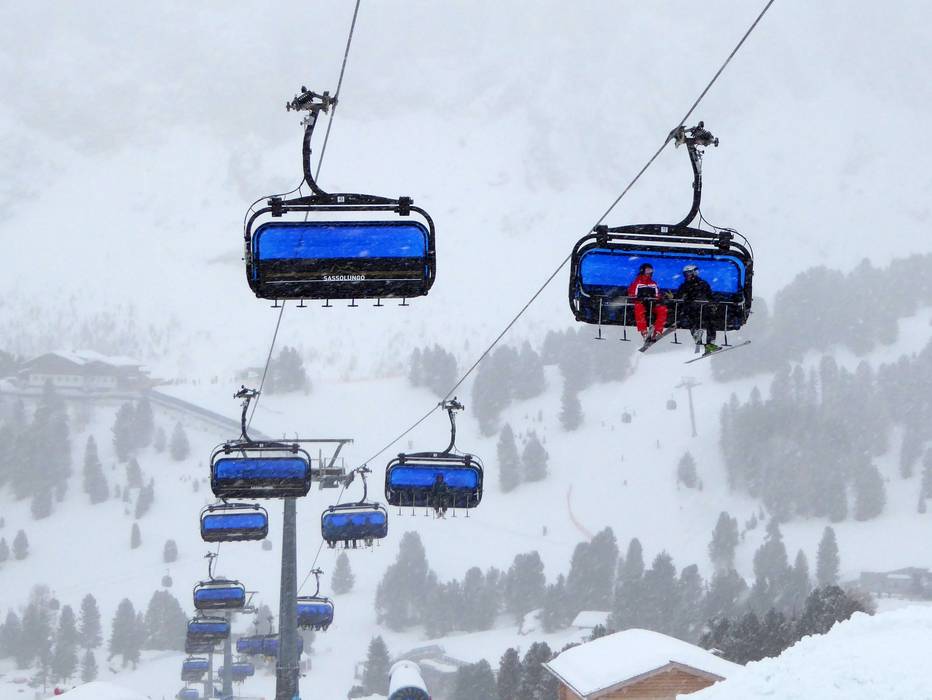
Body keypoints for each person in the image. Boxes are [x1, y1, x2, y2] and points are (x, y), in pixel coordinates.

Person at [671, 264, 719, 352]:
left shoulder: (703, 284)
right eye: (686, 274)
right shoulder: (685, 285)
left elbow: (710, 296)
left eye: (689, 273)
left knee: (711, 322)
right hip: (691, 309)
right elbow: (679, 296)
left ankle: (710, 344)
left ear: (694, 273)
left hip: (703, 308)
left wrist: (713, 303)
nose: (687, 276)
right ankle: (697, 337)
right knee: (690, 320)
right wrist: (673, 297)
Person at [627, 263, 668, 340]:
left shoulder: (653, 283)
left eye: (651, 270)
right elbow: (632, 294)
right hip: (641, 303)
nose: (649, 272)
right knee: (639, 308)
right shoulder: (637, 282)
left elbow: (657, 295)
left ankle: (657, 330)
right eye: (647, 270)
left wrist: (661, 297)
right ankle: (644, 331)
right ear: (643, 271)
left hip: (652, 303)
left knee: (662, 309)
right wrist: (640, 297)